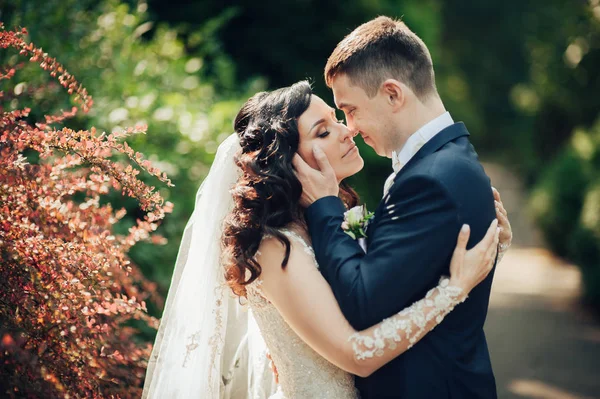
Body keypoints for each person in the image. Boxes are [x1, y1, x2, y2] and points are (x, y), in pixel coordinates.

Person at [142, 80, 512, 398]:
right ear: (288, 162)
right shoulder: (275, 248)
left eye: (337, 121)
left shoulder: (328, 221)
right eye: (323, 132)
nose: (347, 131)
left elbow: (387, 292)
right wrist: (454, 289)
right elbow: (357, 355)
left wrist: (489, 240)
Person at [294, 16, 509, 398]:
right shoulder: (448, 162)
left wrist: (325, 206)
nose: (351, 128)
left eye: (350, 110)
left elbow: (363, 303)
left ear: (393, 94)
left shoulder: (432, 179)